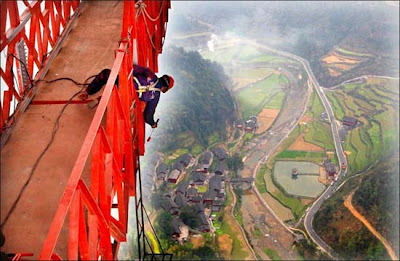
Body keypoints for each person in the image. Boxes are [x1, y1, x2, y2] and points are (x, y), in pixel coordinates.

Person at [80, 65, 174, 128]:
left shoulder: (150, 74)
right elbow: (147, 115)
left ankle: (88, 92)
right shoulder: (155, 97)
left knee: (106, 74)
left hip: (123, 83)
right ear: (164, 89)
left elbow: (132, 68)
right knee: (126, 105)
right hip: (126, 99)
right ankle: (105, 98)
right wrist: (152, 123)